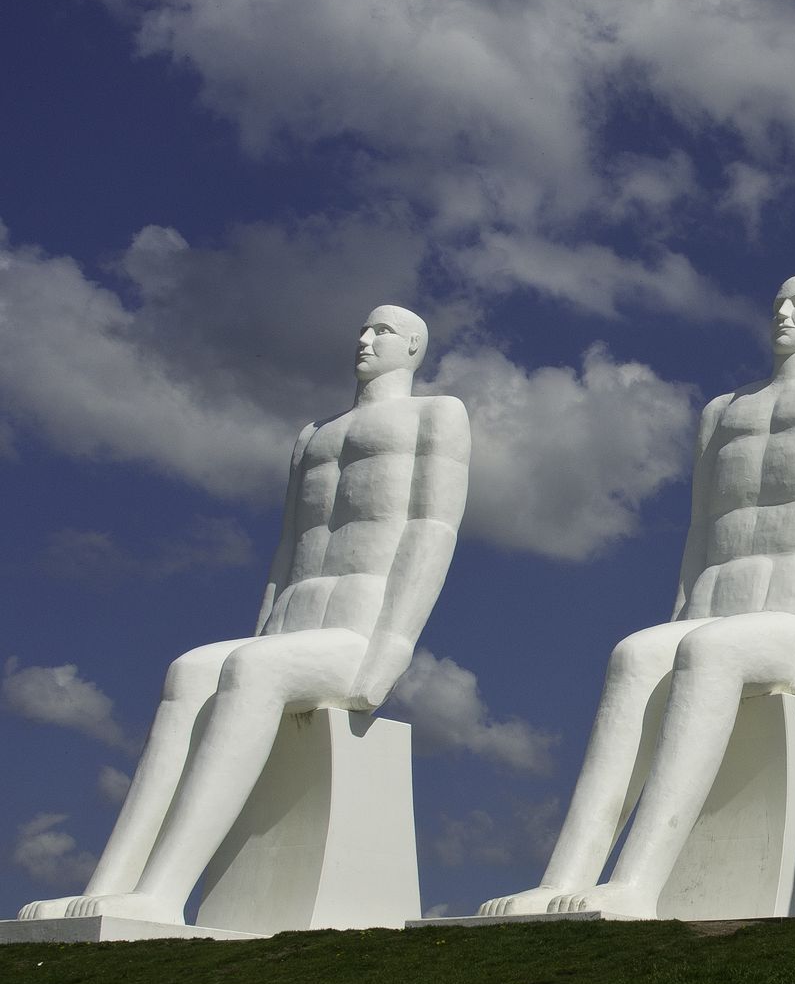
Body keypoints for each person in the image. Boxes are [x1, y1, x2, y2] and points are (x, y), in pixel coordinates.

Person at [20, 305, 470, 924]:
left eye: (383, 331)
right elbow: (288, 545)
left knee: (253, 672)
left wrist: (394, 644)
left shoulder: (435, 415)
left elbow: (432, 528)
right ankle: (111, 884)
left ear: (414, 346)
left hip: (355, 630)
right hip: (291, 623)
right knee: (189, 671)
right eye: (362, 329)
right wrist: (258, 632)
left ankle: (165, 892)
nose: (365, 340)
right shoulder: (313, 435)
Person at [480, 276, 795, 920]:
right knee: (632, 656)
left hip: (794, 612)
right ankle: (560, 878)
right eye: (777, 302)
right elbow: (701, 531)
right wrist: (677, 616)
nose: (784, 312)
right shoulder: (723, 411)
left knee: (708, 653)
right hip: (713, 603)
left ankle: (639, 882)